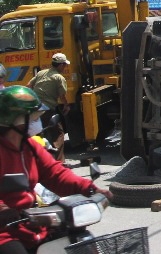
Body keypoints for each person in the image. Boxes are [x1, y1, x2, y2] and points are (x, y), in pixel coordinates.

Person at [0, 86, 112, 254]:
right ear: (14, 120)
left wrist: (89, 188)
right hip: (5, 229)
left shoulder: (29, 147)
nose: (36, 122)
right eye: (31, 118)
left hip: (30, 222)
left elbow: (55, 174)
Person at [27, 53, 71, 162]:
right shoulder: (59, 77)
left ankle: (39, 159)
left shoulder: (42, 73)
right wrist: (66, 105)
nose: (65, 67)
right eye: (65, 65)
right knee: (59, 134)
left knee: (39, 133)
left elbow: (28, 85)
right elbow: (62, 96)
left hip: (34, 108)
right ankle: (59, 163)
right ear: (60, 65)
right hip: (47, 109)